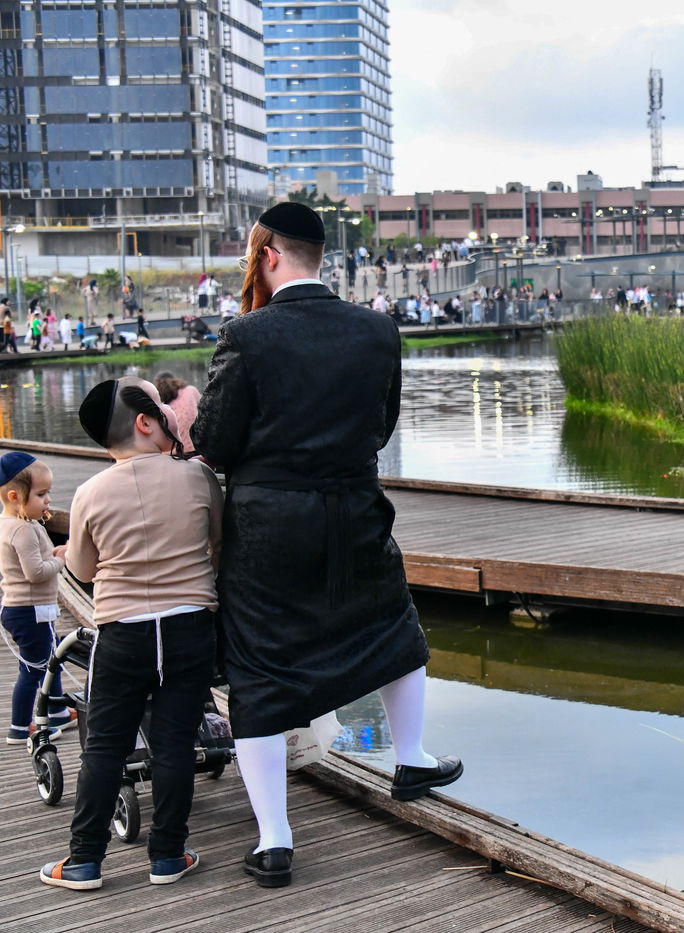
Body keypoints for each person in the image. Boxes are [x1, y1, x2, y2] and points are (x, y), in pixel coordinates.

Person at [191, 202, 458, 889]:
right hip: (353, 507)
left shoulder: (246, 334)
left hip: (270, 522)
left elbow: (215, 443)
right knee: (392, 626)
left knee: (259, 662)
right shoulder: (377, 329)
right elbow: (384, 423)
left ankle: (275, 839)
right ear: (320, 254)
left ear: (269, 254)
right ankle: (413, 756)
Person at [38, 378, 221, 890]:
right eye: (160, 405)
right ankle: (167, 856)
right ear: (145, 422)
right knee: (176, 745)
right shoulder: (199, 478)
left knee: (104, 748)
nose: (169, 411)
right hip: (189, 628)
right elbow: (217, 544)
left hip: (123, 632)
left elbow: (84, 568)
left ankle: (83, 861)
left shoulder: (90, 493)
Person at [0, 452, 72, 746]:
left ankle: (55, 709)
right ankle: (19, 726)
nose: (48, 501)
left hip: (31, 609)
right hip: (29, 610)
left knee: (50, 657)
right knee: (33, 669)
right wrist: (62, 560)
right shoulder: (22, 530)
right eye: (41, 494)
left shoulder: (13, 523)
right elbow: (35, 573)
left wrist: (51, 554)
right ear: (16, 496)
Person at [154, 371, 202, 453]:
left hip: (176, 452)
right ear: (175, 380)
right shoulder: (191, 390)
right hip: (199, 446)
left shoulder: (159, 402)